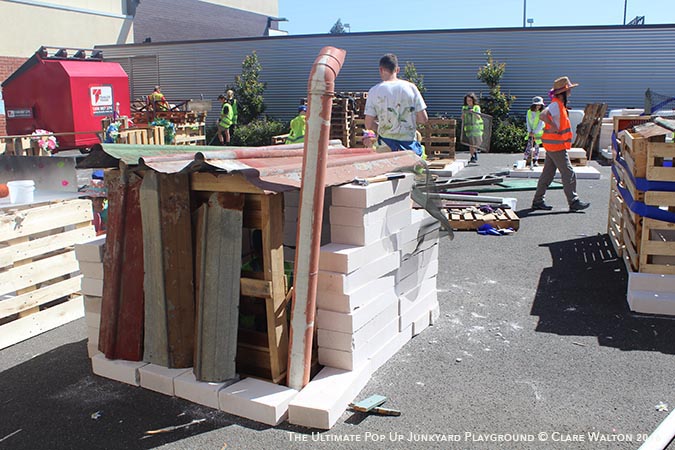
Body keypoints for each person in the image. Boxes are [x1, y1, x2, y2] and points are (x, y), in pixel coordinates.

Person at [531, 76, 590, 212]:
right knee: (568, 172)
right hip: (556, 145)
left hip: (553, 144)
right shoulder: (556, 105)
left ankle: (538, 201)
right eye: (568, 90)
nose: (570, 92)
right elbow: (543, 115)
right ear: (563, 92)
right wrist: (553, 127)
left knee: (548, 174)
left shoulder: (558, 105)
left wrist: (553, 126)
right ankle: (573, 201)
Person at [363, 53, 428, 156]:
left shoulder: (374, 91)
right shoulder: (411, 88)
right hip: (409, 148)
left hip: (385, 148)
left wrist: (385, 126)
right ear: (397, 69)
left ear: (381, 69)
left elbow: (368, 124)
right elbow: (423, 119)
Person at [462, 93, 484, 163]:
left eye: (470, 100)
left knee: (478, 142)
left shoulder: (476, 107)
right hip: (469, 128)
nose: (469, 102)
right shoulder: (464, 108)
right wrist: (464, 114)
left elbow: (479, 117)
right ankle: (472, 156)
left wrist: (473, 112)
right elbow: (462, 118)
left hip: (477, 128)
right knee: (471, 144)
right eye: (467, 101)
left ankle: (476, 151)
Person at [524, 96, 545, 167]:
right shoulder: (529, 112)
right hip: (530, 132)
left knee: (536, 146)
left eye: (540, 105)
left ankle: (536, 160)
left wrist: (535, 132)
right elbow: (528, 122)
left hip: (538, 132)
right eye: (537, 105)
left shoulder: (541, 113)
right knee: (529, 145)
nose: (538, 106)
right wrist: (529, 131)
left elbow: (541, 123)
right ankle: (525, 159)